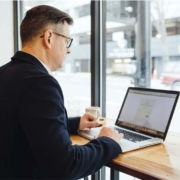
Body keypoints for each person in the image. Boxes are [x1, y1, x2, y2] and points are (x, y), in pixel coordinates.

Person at [0, 5, 123, 179]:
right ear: (49, 37)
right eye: (67, 41)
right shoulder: (40, 83)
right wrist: (107, 141)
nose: (68, 49)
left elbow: (24, 124)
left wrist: (74, 123)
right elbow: (67, 165)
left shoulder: (5, 72)